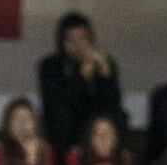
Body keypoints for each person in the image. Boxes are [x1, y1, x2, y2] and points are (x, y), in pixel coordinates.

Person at [40, 12, 125, 156]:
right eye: (71, 40)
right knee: (61, 118)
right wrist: (81, 77)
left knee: (118, 116)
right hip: (68, 126)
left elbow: (113, 102)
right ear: (62, 42)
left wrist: (106, 76)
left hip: (97, 121)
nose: (78, 45)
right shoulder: (50, 66)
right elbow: (57, 103)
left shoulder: (103, 63)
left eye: (82, 38)